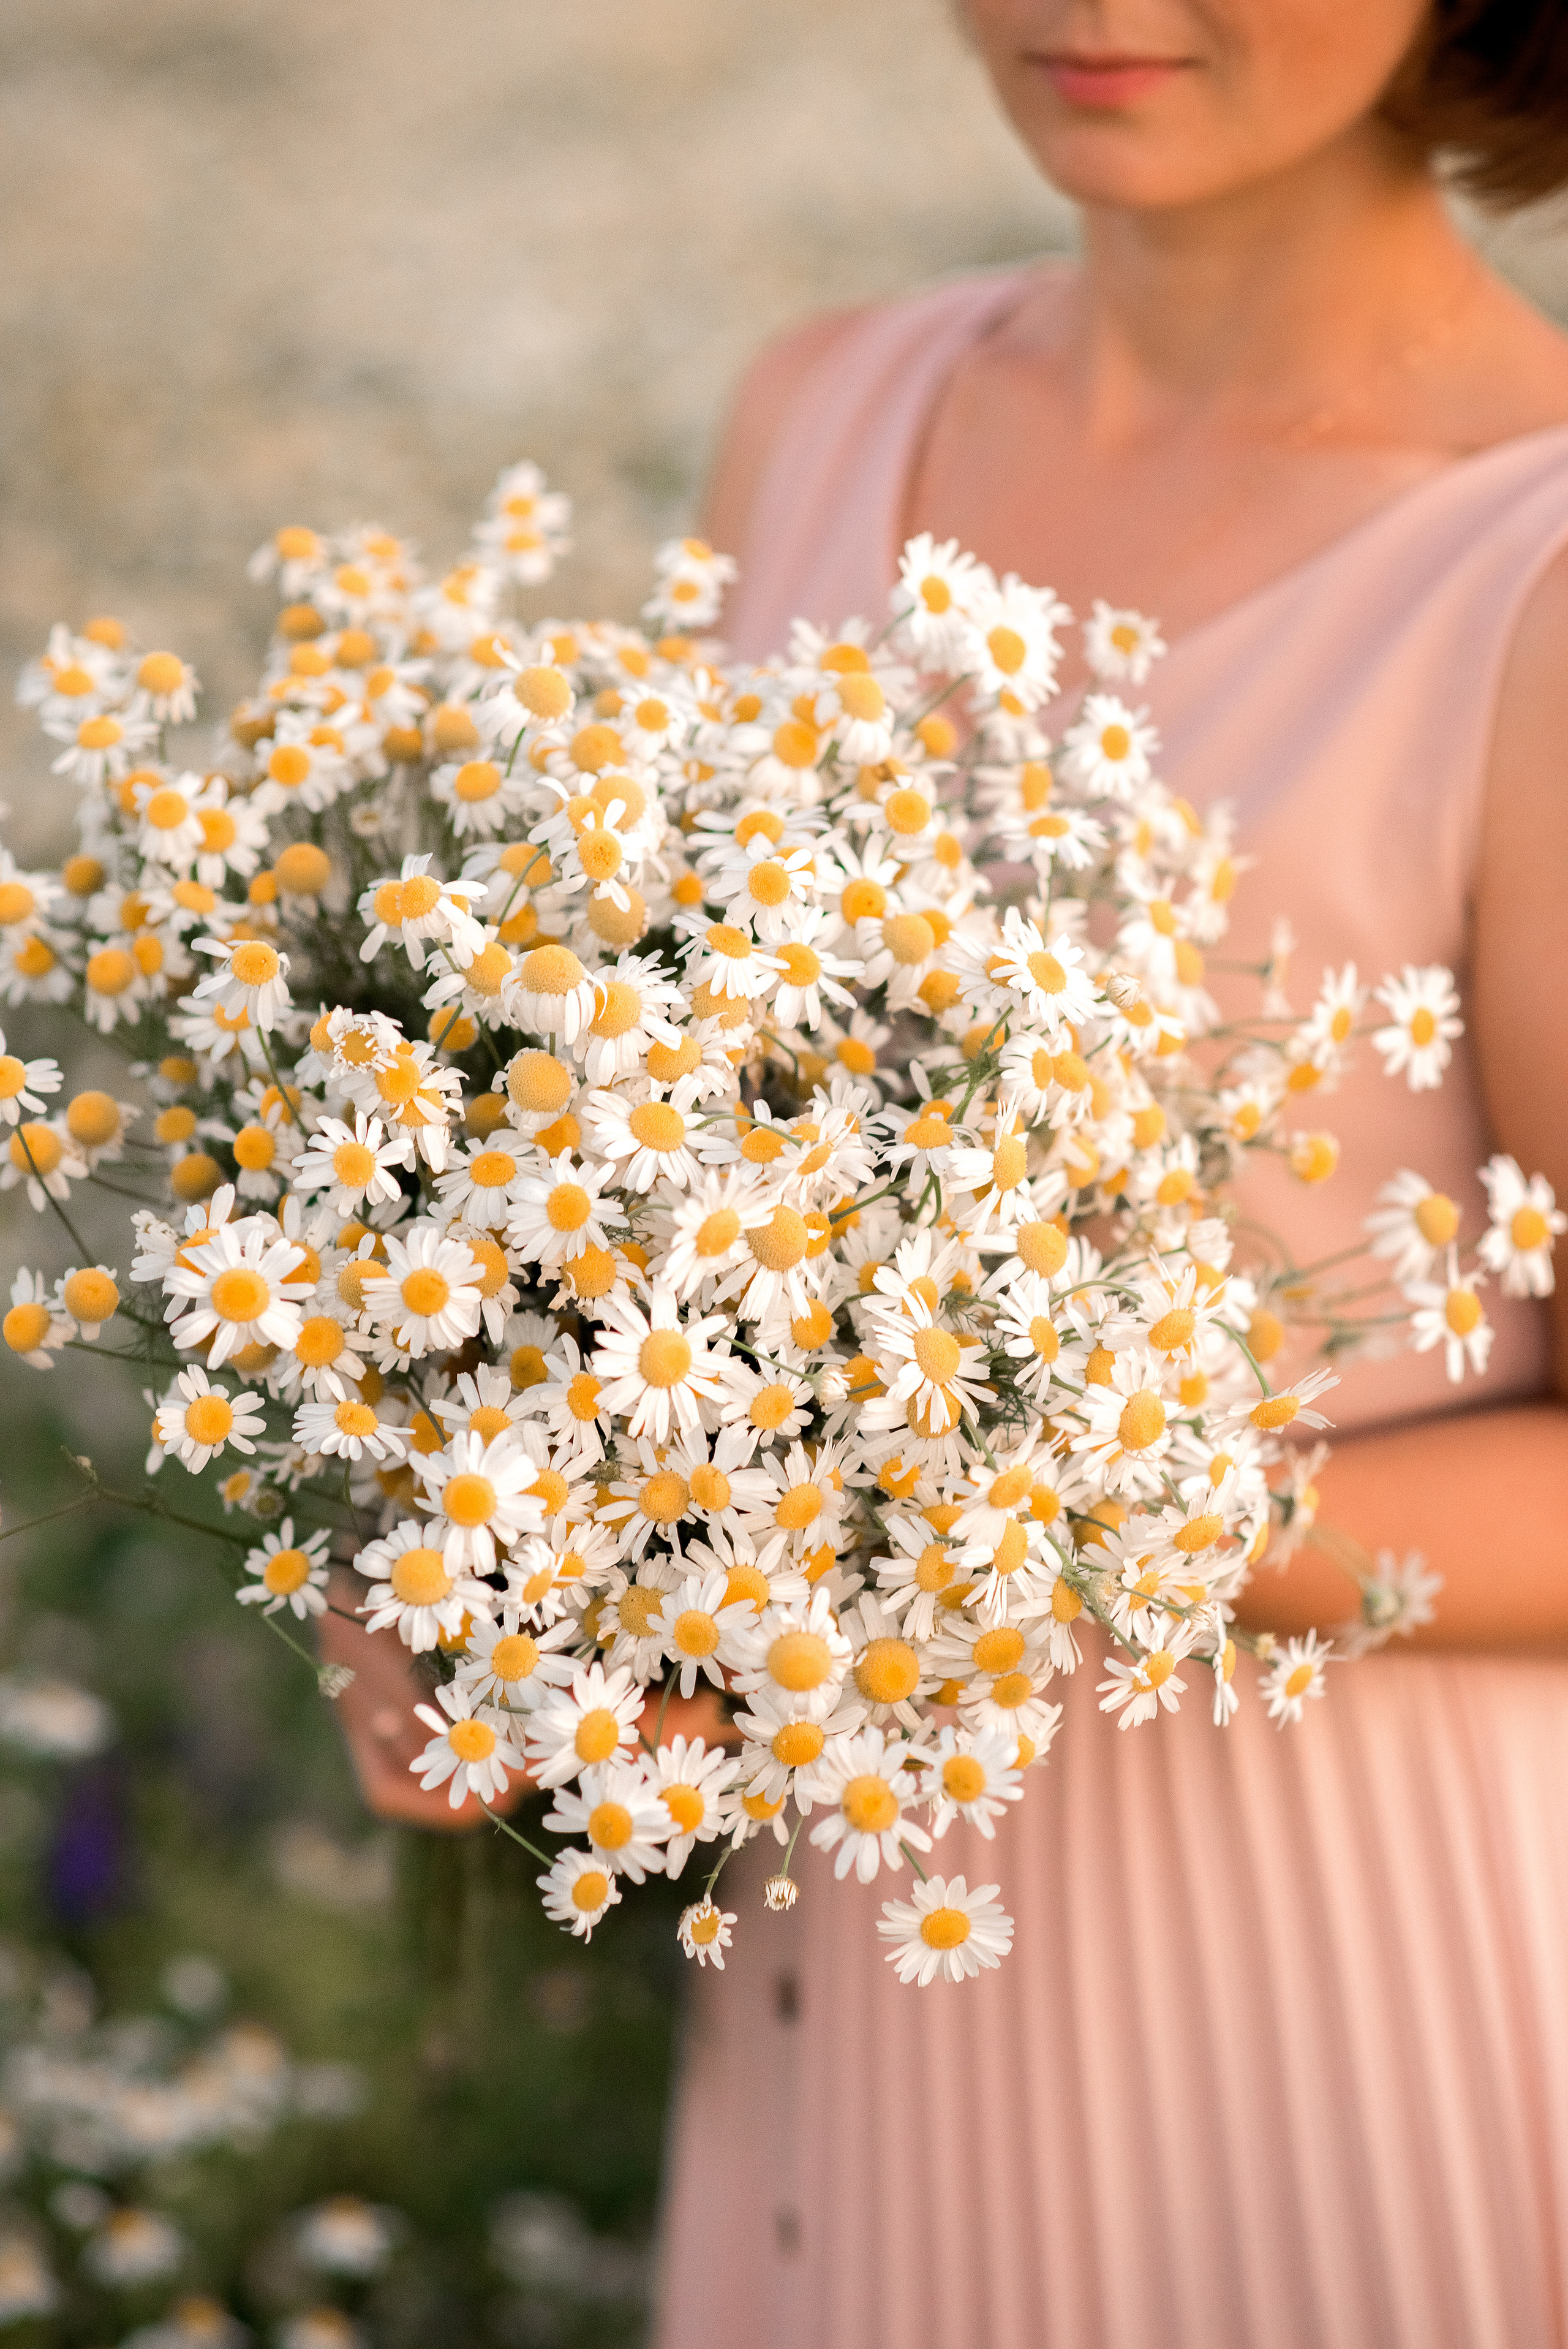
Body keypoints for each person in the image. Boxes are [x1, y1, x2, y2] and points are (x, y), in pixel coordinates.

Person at [326, 4, 1568, 2339]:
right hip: (862, 1960)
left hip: (1346, 1984)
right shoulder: (827, 409)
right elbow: (643, 1151)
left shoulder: (1541, 571)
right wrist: (480, 1551)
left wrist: (995, 1505)